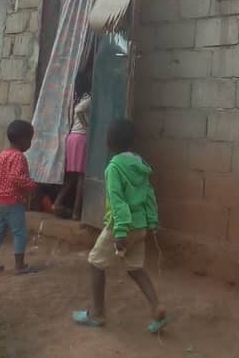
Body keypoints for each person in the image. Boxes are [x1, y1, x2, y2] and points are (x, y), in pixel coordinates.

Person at [72, 118, 166, 333]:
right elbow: (149, 195)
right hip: (140, 226)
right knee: (135, 268)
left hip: (121, 227)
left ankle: (97, 314)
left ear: (109, 142)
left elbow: (118, 201)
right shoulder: (141, 166)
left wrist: (121, 231)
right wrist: (152, 221)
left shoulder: (114, 168)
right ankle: (156, 306)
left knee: (95, 262)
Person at [0, 119, 38, 276]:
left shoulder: (3, 155)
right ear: (23, 139)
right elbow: (16, 178)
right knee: (20, 232)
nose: (30, 143)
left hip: (1, 199)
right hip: (13, 201)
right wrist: (32, 185)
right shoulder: (19, 157)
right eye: (30, 139)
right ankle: (19, 266)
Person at [53, 60, 92, 220]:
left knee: (73, 175)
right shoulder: (88, 98)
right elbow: (79, 111)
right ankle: (76, 212)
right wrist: (87, 126)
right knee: (82, 175)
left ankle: (57, 203)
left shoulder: (76, 98)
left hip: (72, 137)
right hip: (81, 137)